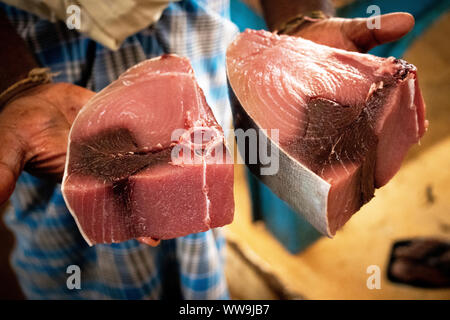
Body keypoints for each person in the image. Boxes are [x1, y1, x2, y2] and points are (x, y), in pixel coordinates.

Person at [0, 0, 414, 299]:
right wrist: (15, 85)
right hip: (42, 53)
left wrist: (293, 20)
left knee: (201, 210)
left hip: (192, 31)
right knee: (80, 249)